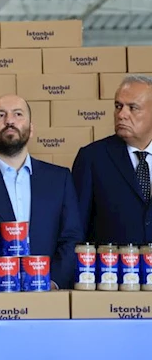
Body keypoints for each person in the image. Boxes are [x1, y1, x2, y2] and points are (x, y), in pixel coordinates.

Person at [0, 94, 82, 289]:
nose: (9, 121)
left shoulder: (60, 178)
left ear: (31, 129)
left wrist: (52, 282)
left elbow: (72, 238)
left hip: (50, 294)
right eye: (0, 115)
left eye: (18, 114)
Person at [73, 74, 152, 244]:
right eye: (118, 106)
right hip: (110, 261)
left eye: (132, 108)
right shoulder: (92, 158)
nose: (122, 114)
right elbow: (76, 229)